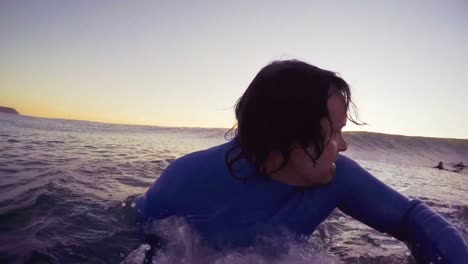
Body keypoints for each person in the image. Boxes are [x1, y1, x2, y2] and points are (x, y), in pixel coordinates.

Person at [134, 60, 468, 263]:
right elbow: (138, 238)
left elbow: (411, 218)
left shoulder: (338, 178)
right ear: (280, 144)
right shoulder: (184, 181)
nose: (345, 146)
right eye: (333, 134)